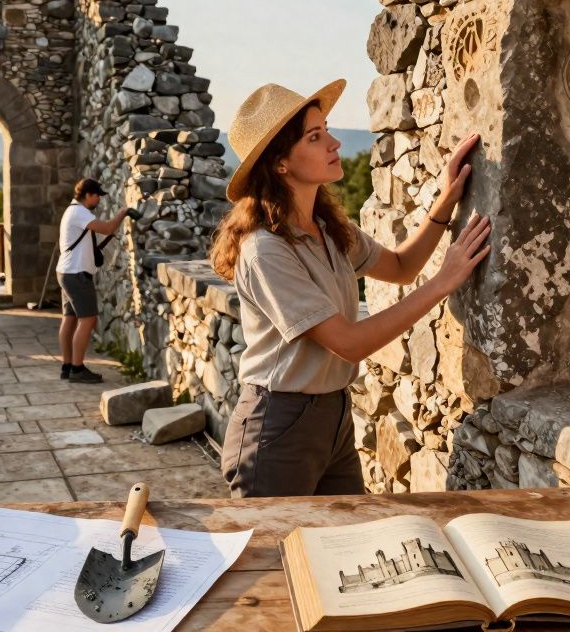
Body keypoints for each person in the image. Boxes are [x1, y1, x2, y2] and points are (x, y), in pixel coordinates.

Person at [209, 79, 490, 498]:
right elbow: (349, 342)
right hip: (278, 426)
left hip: (333, 416)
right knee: (276, 557)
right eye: (315, 136)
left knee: (344, 546)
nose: (335, 143)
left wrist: (446, 200)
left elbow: (401, 267)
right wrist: (444, 282)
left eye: (328, 130)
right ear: (280, 163)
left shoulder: (329, 229)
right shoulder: (265, 251)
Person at [56, 178, 130, 383]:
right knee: (88, 319)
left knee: (69, 319)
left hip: (66, 271)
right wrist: (122, 213)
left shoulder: (71, 211)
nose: (99, 200)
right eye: (98, 195)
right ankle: (78, 369)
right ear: (88, 195)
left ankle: (67, 366)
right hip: (77, 274)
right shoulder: (80, 212)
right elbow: (106, 228)